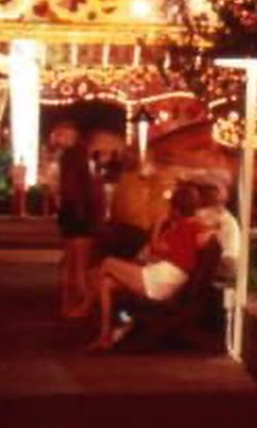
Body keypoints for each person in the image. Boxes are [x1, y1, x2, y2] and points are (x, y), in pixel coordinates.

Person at [89, 179, 207, 350]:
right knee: (107, 284)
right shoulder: (191, 226)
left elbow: (154, 248)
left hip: (163, 279)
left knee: (107, 263)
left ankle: (90, 308)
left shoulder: (185, 228)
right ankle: (106, 333)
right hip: (165, 274)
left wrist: (158, 224)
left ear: (176, 209)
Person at [56, 124, 97, 317]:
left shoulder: (65, 159)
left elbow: (65, 189)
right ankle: (82, 305)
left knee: (68, 261)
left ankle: (66, 304)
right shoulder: (81, 159)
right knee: (81, 264)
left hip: (67, 212)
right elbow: (88, 191)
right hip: (80, 213)